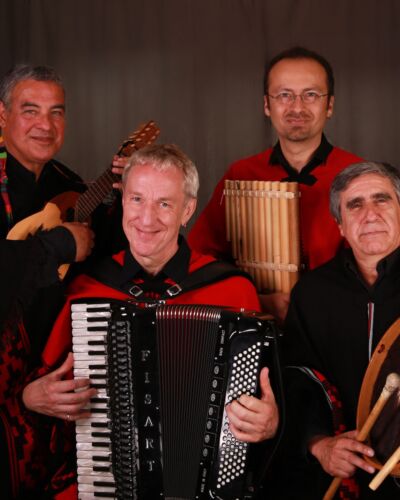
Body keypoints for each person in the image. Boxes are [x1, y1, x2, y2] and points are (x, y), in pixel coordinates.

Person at [23, 144, 280, 497]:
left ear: (187, 210)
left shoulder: (232, 291)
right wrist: (31, 397)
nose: (146, 219)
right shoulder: (86, 289)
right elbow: (45, 387)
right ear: (123, 202)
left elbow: (269, 404)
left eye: (164, 203)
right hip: (105, 481)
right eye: (137, 199)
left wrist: (269, 423)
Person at [188, 46, 362, 322]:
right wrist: (253, 298)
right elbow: (198, 257)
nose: (297, 107)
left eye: (311, 95)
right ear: (267, 105)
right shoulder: (241, 174)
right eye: (284, 95)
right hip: (258, 326)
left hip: (337, 324)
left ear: (329, 106)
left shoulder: (358, 176)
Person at [280, 162, 400, 499]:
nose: (370, 213)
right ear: (340, 226)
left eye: (382, 199)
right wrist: (319, 444)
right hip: (342, 475)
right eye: (355, 204)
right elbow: (296, 380)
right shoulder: (312, 293)